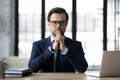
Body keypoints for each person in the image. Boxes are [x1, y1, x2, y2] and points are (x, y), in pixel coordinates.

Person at [28, 7, 88, 72]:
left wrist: (65, 50)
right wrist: (51, 50)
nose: (58, 26)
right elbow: (32, 68)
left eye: (62, 22)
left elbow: (83, 68)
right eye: (54, 22)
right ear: (49, 24)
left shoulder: (76, 45)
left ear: (66, 24)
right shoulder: (38, 45)